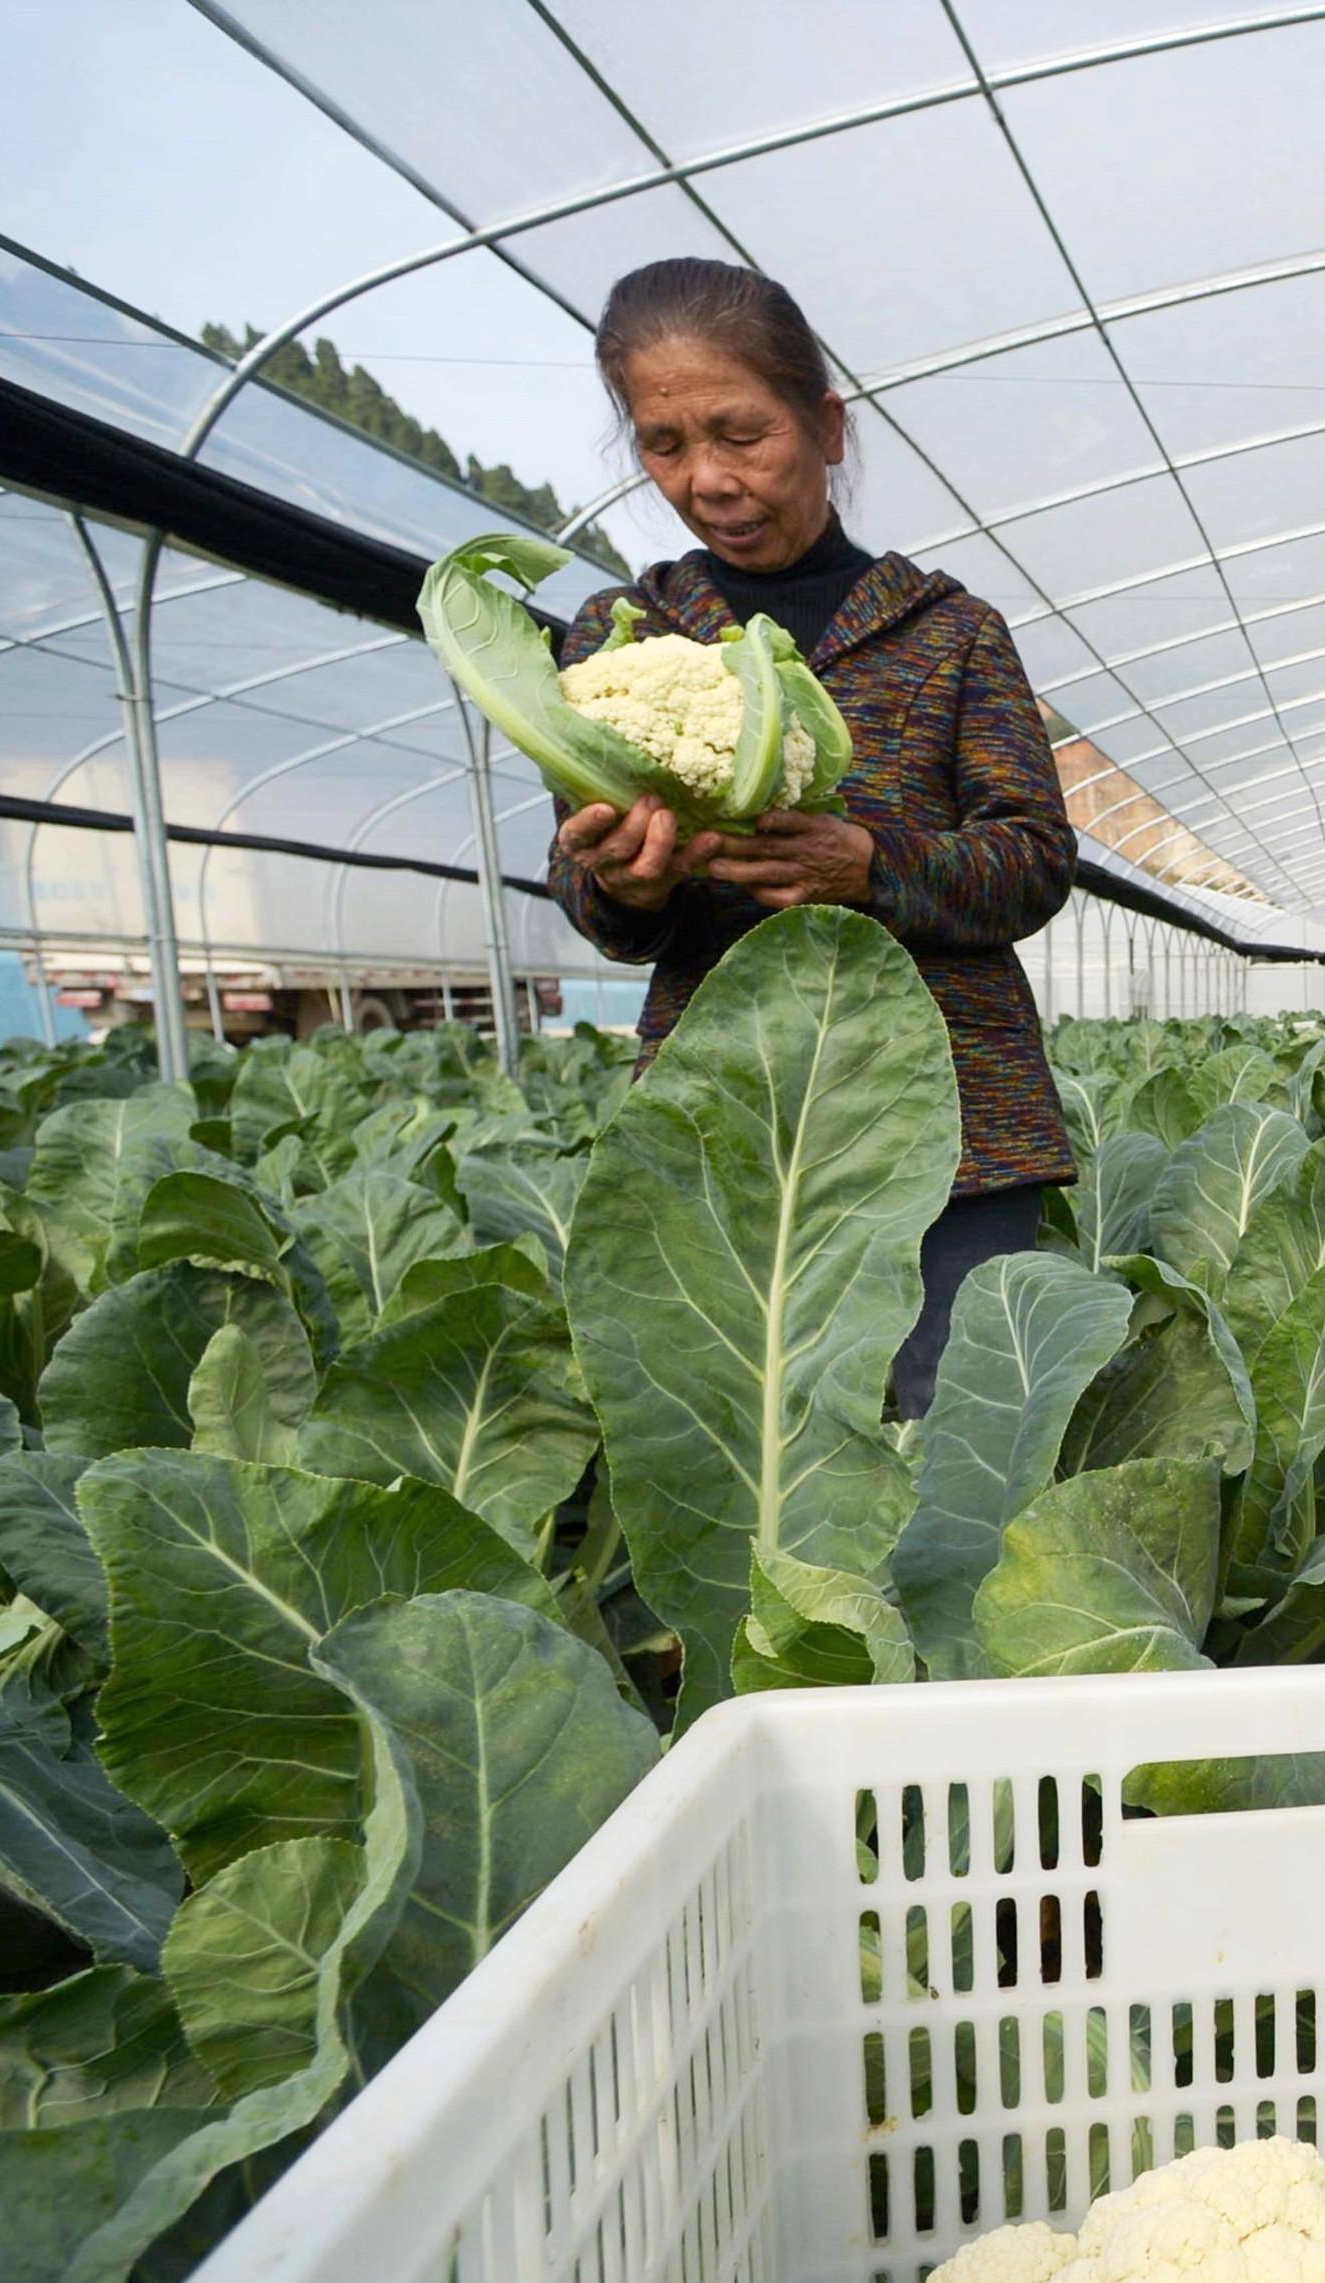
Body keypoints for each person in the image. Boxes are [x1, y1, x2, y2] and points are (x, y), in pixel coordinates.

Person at [546, 259, 1076, 1418]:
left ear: (827, 428)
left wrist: (875, 867)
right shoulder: (619, 633)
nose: (710, 480)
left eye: (743, 434)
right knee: (749, 1435)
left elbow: (1035, 858)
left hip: (957, 1121)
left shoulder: (950, 633)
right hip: (723, 1109)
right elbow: (593, 906)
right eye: (666, 444)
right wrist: (624, 883)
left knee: (956, 1426)